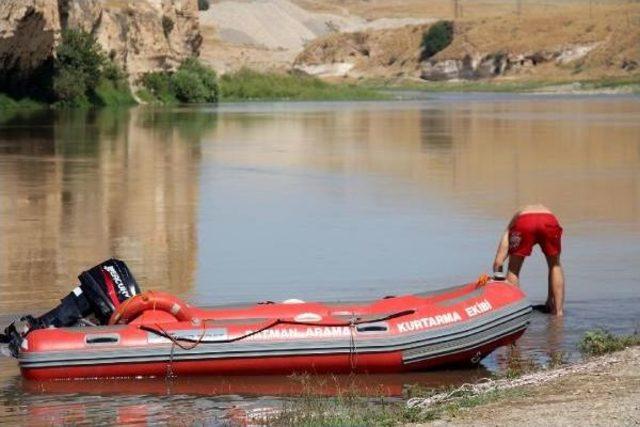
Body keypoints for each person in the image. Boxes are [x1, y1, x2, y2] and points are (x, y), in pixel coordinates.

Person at [493, 204, 565, 316]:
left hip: (525, 222)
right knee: (555, 265)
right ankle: (558, 312)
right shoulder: (546, 210)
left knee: (513, 269)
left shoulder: (515, 220)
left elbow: (499, 261)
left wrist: (497, 271)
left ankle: (515, 311)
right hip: (549, 220)